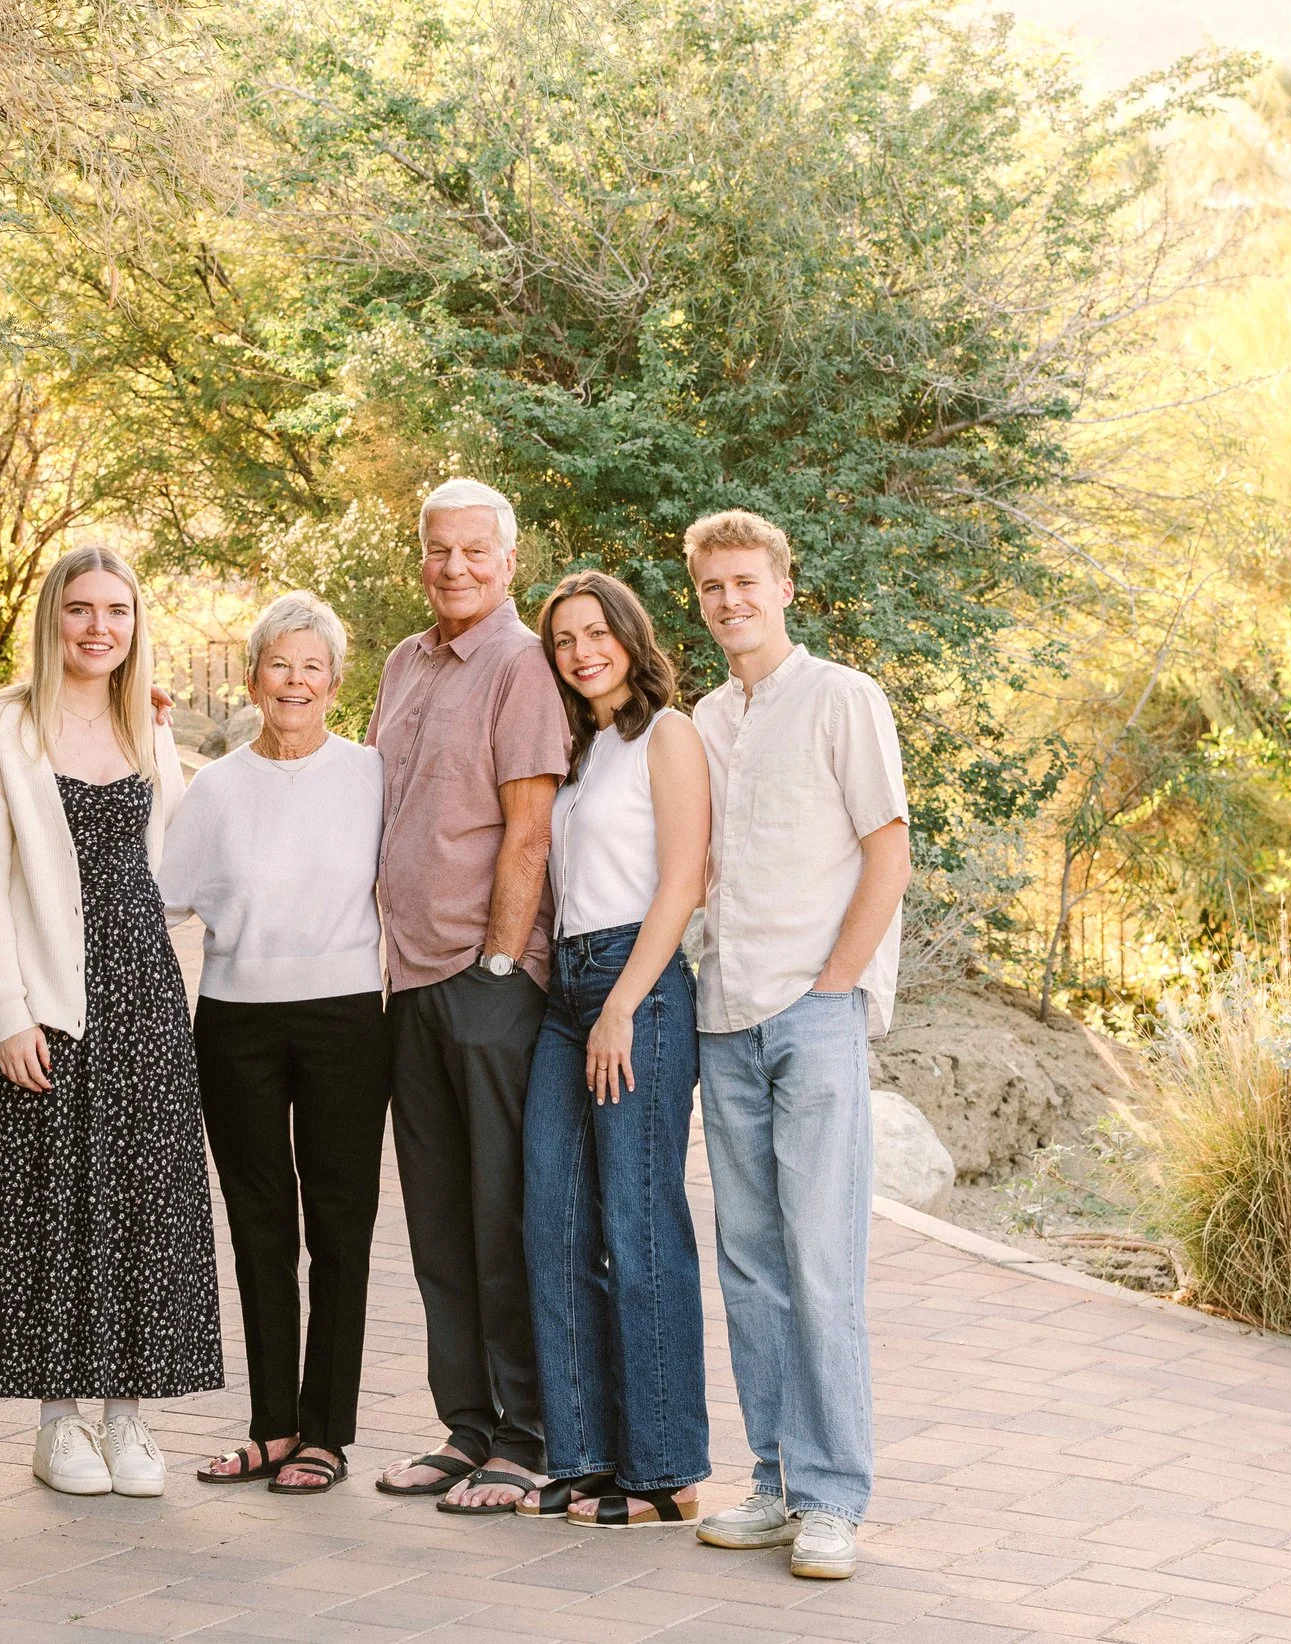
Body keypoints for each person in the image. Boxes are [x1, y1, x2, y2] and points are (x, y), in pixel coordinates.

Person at [0, 545, 222, 1499]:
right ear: (52, 617)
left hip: (144, 988)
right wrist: (8, 1014)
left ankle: (130, 1418)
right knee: (53, 1204)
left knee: (143, 1198)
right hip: (49, 1000)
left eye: (117, 610)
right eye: (81, 609)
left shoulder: (144, 727)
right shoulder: (1, 726)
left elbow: (177, 868)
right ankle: (58, 1420)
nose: (99, 627)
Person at [683, 510, 911, 1581]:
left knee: (822, 1267)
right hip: (722, 1019)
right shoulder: (703, 720)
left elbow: (888, 855)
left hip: (810, 1018)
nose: (730, 600)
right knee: (753, 1270)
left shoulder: (841, 698)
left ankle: (832, 1500)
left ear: (784, 586)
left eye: (746, 581)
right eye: (712, 587)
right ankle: (773, 1479)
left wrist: (834, 987)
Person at [369, 478, 572, 1515]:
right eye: (438, 551)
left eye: (474, 553)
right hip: (402, 981)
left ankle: (525, 1437)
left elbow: (527, 830)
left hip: (485, 984)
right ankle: (465, 1428)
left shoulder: (519, 664)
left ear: (508, 559)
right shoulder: (405, 664)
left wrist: (498, 964)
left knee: (501, 1218)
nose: (454, 568)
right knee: (438, 1219)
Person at [164, 593, 389, 1497]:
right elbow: (160, 902)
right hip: (236, 1020)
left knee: (340, 1224)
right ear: (251, 676)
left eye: (312, 667)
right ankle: (272, 1425)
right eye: (277, 665)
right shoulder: (213, 787)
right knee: (259, 1224)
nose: (294, 683)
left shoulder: (373, 773)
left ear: (335, 682)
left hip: (343, 1017)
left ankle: (327, 1431)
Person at [517, 571, 713, 1529]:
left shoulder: (665, 738)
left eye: (598, 633)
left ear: (633, 638)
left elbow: (685, 879)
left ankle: (665, 1468)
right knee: (551, 1226)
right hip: (566, 992)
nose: (583, 651)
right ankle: (587, 1453)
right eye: (565, 640)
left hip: (639, 989)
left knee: (637, 1230)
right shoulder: (584, 750)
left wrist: (623, 1005)